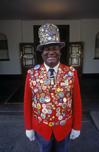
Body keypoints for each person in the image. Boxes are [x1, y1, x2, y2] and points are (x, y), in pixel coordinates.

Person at [24, 23, 82, 152]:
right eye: (47, 49)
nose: (51, 52)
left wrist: (77, 126)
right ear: (42, 53)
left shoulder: (71, 72)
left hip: (64, 128)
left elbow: (77, 102)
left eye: (55, 48)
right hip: (41, 128)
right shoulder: (32, 73)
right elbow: (27, 102)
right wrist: (28, 127)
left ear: (60, 52)